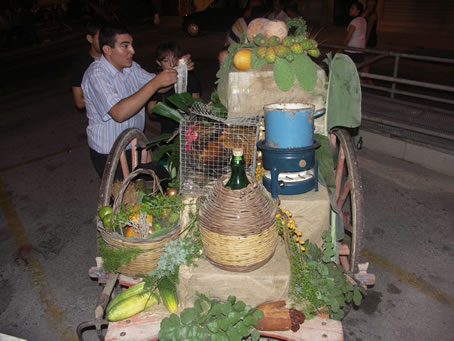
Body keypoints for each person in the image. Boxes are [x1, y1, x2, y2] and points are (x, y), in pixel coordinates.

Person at [81, 24, 193, 178]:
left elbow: (159, 87)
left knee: (146, 192)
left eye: (131, 45)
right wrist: (156, 83)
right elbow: (119, 113)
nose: (132, 51)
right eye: (125, 46)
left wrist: (179, 69)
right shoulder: (96, 75)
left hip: (135, 146)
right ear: (107, 50)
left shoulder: (131, 67)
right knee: (122, 200)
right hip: (111, 154)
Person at [148, 41, 201, 134]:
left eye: (175, 59)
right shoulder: (155, 82)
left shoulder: (190, 78)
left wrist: (191, 109)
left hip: (189, 132)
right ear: (158, 63)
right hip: (167, 134)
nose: (172, 64)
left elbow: (197, 102)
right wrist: (169, 113)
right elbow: (151, 112)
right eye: (166, 61)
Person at [71, 20, 103, 111]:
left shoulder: (118, 55)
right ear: (90, 38)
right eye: (100, 38)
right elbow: (79, 102)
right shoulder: (81, 63)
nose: (105, 42)